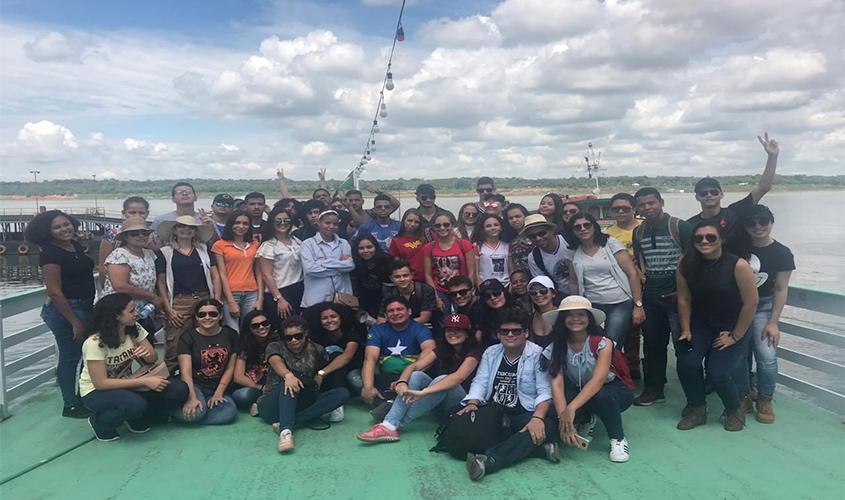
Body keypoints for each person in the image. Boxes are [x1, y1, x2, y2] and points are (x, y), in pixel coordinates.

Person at [675, 222, 758, 431]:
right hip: (701, 324)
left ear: (721, 239)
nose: (704, 241)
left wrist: (735, 336)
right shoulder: (686, 263)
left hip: (732, 325)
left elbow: (751, 303)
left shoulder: (738, 265)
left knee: (718, 373)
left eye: (710, 237)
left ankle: (734, 408)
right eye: (699, 238)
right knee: (688, 363)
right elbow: (684, 298)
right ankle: (697, 408)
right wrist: (685, 329)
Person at [462, 307, 557, 481]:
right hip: (494, 413)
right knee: (463, 419)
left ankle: (490, 461)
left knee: (547, 426)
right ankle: (538, 449)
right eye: (504, 331)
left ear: (526, 333)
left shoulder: (537, 355)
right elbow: (480, 381)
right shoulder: (491, 352)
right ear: (498, 334)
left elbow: (545, 391)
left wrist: (537, 418)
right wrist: (472, 403)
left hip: (523, 413)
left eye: (516, 331)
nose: (510, 335)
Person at [78, 294, 188, 441]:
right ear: (116, 316)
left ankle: (137, 416)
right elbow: (101, 383)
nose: (136, 313)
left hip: (128, 381)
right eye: (131, 311)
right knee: (135, 404)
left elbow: (153, 358)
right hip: (96, 391)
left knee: (178, 390)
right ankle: (100, 423)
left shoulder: (133, 328)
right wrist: (144, 382)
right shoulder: (95, 343)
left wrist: (146, 355)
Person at [357, 313, 481, 442]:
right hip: (437, 403)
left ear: (467, 333)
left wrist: (423, 392)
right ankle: (389, 424)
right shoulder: (444, 348)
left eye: (458, 330)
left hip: (461, 405)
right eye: (449, 330)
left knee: (443, 379)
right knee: (416, 376)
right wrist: (402, 382)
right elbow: (414, 366)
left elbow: (458, 377)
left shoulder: (475, 350)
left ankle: (394, 424)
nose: (452, 333)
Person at [545, 296, 634, 462]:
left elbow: (598, 380)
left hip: (613, 390)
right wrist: (563, 418)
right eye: (569, 315)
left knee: (602, 396)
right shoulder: (556, 346)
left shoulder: (603, 343)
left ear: (589, 319)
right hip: (582, 390)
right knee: (553, 409)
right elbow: (556, 384)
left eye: (581, 314)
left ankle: (618, 438)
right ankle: (587, 418)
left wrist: (570, 410)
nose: (575, 319)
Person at [27, 210, 96, 418]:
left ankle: (85, 396)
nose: (64, 229)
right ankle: (71, 404)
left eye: (66, 224)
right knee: (70, 356)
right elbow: (54, 291)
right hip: (67, 310)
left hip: (85, 306)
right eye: (57, 227)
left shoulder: (73, 246)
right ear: (47, 232)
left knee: (89, 353)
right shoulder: (49, 253)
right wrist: (74, 322)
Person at [631, 187, 693, 406]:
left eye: (651, 203)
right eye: (642, 204)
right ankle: (654, 389)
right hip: (652, 295)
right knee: (652, 345)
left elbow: (693, 259)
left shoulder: (679, 226)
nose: (647, 208)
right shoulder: (638, 232)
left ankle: (693, 395)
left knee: (683, 345)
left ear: (661, 202)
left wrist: (684, 290)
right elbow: (640, 263)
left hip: (677, 296)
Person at [732, 206, 794, 423]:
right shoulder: (737, 248)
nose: (758, 226)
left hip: (764, 307)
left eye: (763, 221)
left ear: (771, 222)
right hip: (737, 308)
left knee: (766, 357)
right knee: (739, 356)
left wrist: (773, 322)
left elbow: (780, 288)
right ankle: (744, 395)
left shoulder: (782, 253)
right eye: (752, 223)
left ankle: (765, 398)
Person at [257, 316, 351, 452]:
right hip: (272, 404)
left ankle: (290, 422)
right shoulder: (275, 346)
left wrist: (321, 374)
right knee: (289, 382)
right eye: (288, 337)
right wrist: (288, 375)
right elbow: (275, 361)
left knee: (342, 393)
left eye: (298, 336)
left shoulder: (317, 349)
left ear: (305, 333)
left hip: (301, 400)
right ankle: (286, 432)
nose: (293, 340)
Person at [687, 133, 780, 253]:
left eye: (714, 192)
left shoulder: (735, 212)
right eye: (703, 193)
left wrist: (773, 157)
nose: (709, 195)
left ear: (721, 194)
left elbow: (763, 188)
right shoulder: (690, 224)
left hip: (737, 268)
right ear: (697, 197)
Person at [567, 212, 644, 345]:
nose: (583, 229)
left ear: (594, 226)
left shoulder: (610, 244)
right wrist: (576, 306)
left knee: (611, 342)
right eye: (577, 227)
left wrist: (638, 305)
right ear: (573, 231)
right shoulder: (573, 251)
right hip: (592, 305)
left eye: (587, 225)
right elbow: (574, 282)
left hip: (619, 302)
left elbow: (632, 273)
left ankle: (613, 366)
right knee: (595, 343)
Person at [155, 216, 221, 371]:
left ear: (195, 231)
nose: (186, 230)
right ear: (175, 230)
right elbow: (161, 282)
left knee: (205, 337)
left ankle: (202, 373)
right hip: (180, 301)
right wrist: (168, 308)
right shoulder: (165, 253)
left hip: (204, 297)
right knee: (175, 340)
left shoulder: (204, 250)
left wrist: (216, 300)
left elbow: (215, 275)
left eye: (191, 227)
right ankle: (171, 377)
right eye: (181, 226)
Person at [172, 299, 239, 425]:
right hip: (195, 385)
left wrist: (219, 393)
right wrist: (191, 398)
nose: (207, 318)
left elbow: (230, 367)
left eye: (212, 314)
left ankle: (195, 415)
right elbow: (185, 373)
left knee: (228, 412)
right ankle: (167, 412)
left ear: (220, 315)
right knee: (196, 413)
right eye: (202, 314)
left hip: (219, 385)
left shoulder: (231, 334)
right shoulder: (187, 337)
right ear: (196, 317)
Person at [361, 297, 436, 409]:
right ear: (385, 315)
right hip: (384, 378)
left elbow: (430, 350)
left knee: (417, 379)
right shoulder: (377, 330)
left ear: (409, 311)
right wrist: (368, 387)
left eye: (400, 309)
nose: (395, 313)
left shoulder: (420, 329)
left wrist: (402, 380)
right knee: (355, 378)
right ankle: (388, 401)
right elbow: (370, 358)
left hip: (410, 379)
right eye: (391, 311)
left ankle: (387, 404)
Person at [605, 193, 643, 378]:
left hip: (650, 284)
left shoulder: (643, 227)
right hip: (626, 286)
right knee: (630, 331)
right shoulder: (607, 235)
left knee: (651, 333)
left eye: (625, 208)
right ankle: (631, 367)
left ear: (634, 209)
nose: (621, 211)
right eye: (616, 208)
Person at [100, 217, 161, 331]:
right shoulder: (119, 255)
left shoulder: (149, 254)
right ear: (126, 237)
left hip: (141, 311)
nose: (141, 236)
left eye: (145, 233)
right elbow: (120, 287)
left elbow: (152, 282)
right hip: (119, 313)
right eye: (134, 233)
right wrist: (153, 297)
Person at [212, 210, 263, 331]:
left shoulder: (255, 244)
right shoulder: (220, 245)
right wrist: (230, 302)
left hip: (252, 292)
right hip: (231, 293)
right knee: (233, 330)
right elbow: (222, 274)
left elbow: (259, 272)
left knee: (249, 329)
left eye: (245, 223)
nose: (241, 226)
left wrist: (260, 298)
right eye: (237, 223)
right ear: (231, 224)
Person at [304, 302, 365, 401]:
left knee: (354, 379)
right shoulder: (318, 337)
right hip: (330, 375)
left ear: (340, 318)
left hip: (352, 371)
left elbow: (346, 357)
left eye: (333, 317)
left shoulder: (351, 334)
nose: (329, 321)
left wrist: (321, 374)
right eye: (325, 318)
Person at [258, 206, 305, 327]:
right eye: (278, 220)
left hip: (298, 288)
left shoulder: (296, 241)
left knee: (300, 325)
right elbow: (266, 274)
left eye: (286, 220)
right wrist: (279, 298)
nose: (282, 223)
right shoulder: (268, 245)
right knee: (286, 327)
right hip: (279, 291)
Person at [299, 210, 355, 308]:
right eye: (327, 223)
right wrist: (340, 267)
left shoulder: (344, 243)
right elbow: (310, 270)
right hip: (316, 298)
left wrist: (323, 263)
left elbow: (350, 266)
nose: (332, 226)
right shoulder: (307, 244)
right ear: (319, 223)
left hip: (342, 298)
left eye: (335, 224)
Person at [98, 196, 155, 289]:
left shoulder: (151, 235)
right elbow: (102, 266)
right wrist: (103, 288)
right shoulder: (112, 235)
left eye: (141, 213)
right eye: (132, 212)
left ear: (147, 214)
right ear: (124, 213)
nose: (137, 216)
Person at [423, 212, 478, 301]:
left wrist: (469, 291)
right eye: (438, 226)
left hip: (462, 291)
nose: (442, 228)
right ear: (433, 228)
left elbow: (471, 272)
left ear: (452, 225)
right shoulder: (429, 247)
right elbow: (428, 275)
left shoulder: (464, 244)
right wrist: (435, 296)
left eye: (446, 225)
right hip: (440, 291)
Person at [231, 310, 276, 414]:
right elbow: (238, 377)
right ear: (249, 328)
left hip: (274, 384)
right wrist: (260, 388)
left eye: (264, 323)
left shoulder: (277, 340)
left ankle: (260, 405)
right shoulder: (244, 344)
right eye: (256, 326)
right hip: (252, 386)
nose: (261, 327)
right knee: (242, 396)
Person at [523, 214, 574, 297]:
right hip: (561, 295)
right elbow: (543, 284)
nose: (538, 238)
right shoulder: (534, 257)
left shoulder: (568, 241)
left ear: (551, 230)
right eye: (532, 236)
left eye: (542, 233)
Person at [379, 259, 437, 325]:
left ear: (412, 275)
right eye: (397, 277)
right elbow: (380, 320)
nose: (402, 279)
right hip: (398, 329)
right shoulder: (389, 294)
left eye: (405, 275)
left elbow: (424, 318)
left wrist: (396, 323)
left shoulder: (425, 290)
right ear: (391, 278)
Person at [351, 234, 393, 319]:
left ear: (375, 247)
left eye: (369, 247)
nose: (366, 250)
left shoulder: (385, 261)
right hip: (362, 303)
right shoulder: (354, 263)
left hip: (383, 302)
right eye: (361, 248)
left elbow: (388, 290)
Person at [388, 209, 427, 282]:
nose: (412, 224)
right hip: (408, 279)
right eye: (409, 220)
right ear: (403, 221)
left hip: (425, 278)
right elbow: (397, 265)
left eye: (416, 222)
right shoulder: (396, 241)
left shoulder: (426, 238)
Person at [473, 214, 511, 286]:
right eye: (488, 226)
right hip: (486, 286)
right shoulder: (477, 246)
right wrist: (479, 286)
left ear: (501, 227)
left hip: (505, 285)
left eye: (496, 225)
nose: (493, 228)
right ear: (483, 229)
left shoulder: (507, 245)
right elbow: (476, 272)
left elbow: (511, 269)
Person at [476, 278, 515, 347]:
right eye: (487, 296)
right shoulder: (484, 318)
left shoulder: (518, 313)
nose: (493, 298)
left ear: (504, 292)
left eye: (496, 293)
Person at [527, 276, 557, 347]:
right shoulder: (530, 318)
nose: (538, 294)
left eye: (543, 291)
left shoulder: (562, 315)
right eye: (533, 293)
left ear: (553, 293)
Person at [504, 203, 533, 273]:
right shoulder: (509, 239)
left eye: (518, 216)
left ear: (525, 216)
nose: (514, 220)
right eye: (510, 218)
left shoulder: (535, 235)